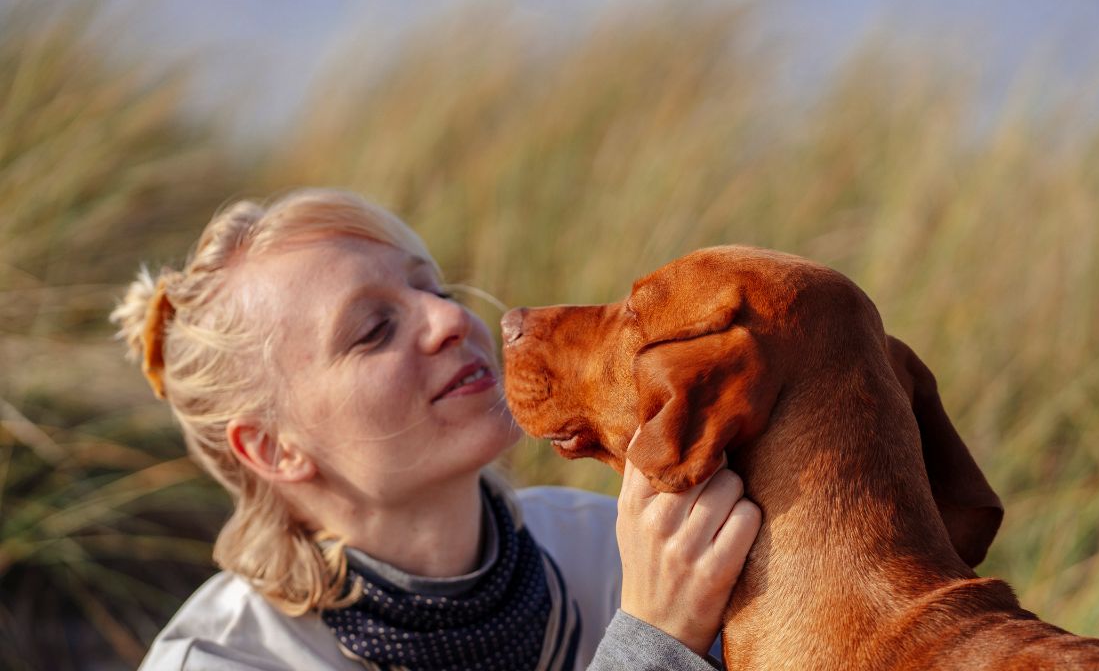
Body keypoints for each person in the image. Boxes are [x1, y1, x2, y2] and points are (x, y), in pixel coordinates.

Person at [111, 188, 762, 670]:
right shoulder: (225, 659)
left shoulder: (615, 548)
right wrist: (654, 641)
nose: (449, 321)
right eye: (373, 330)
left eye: (437, 289)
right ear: (273, 449)